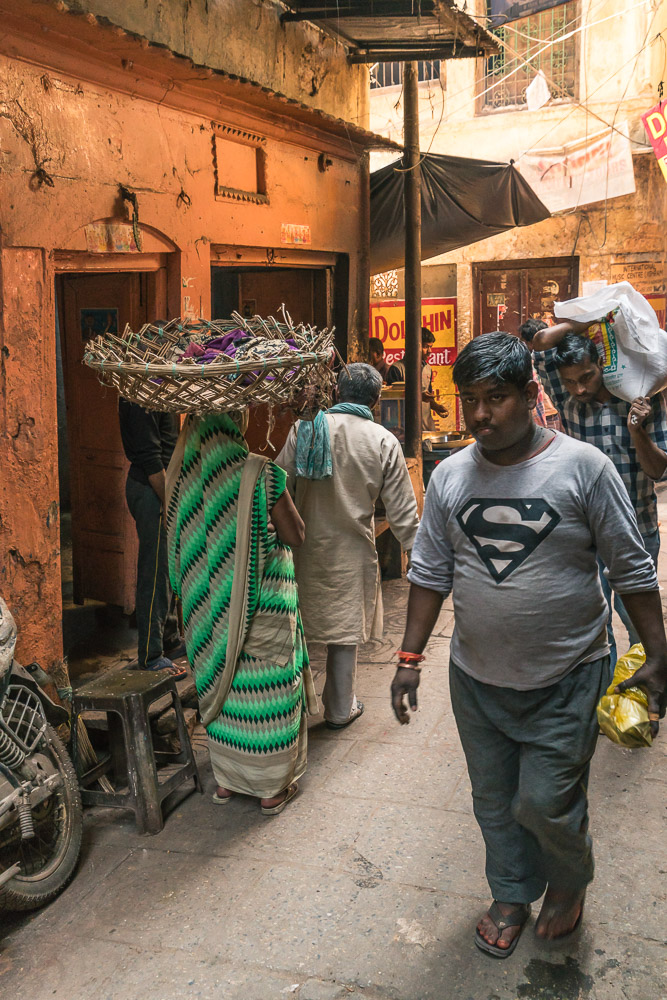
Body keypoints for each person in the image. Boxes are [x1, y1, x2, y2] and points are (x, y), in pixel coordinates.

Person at [390, 333, 667, 957]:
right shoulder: (451, 476)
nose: (481, 414)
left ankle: (568, 883)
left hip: (569, 676)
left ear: (530, 395)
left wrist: (659, 652)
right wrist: (409, 659)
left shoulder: (583, 468)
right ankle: (511, 891)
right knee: (493, 801)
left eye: (497, 397)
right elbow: (430, 572)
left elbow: (632, 568)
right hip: (478, 679)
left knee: (544, 801)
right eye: (470, 400)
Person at [166, 411, 316, 815]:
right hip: (265, 608)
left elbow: (181, 554)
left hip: (208, 617)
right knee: (268, 693)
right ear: (235, 423)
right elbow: (295, 534)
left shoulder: (180, 482)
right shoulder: (260, 472)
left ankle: (228, 783)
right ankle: (270, 789)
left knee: (226, 689)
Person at [277, 363, 420, 729]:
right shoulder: (382, 440)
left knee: (297, 629)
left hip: (302, 548)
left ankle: (285, 712)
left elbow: (275, 484)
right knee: (343, 634)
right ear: (375, 400)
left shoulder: (304, 429)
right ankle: (340, 709)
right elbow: (404, 516)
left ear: (338, 393)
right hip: (351, 552)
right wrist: (423, 565)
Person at [531, 321, 667, 665]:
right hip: (584, 535)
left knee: (642, 627)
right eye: (571, 381)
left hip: (638, 530)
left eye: (586, 377)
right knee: (595, 627)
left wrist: (637, 430)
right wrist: (591, 318)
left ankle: (649, 699)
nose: (578, 388)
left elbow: (658, 470)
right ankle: (606, 695)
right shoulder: (565, 398)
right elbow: (541, 341)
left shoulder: (643, 397)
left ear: (602, 365)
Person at [118, 398, 187, 679]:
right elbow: (150, 459)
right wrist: (170, 503)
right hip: (152, 490)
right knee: (155, 574)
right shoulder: (138, 394)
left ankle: (168, 638)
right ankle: (151, 654)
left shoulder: (158, 387)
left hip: (160, 487)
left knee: (167, 570)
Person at [387, 328, 450, 429]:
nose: (429, 351)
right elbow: (392, 402)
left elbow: (427, 399)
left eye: (431, 347)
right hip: (405, 430)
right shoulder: (397, 369)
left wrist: (437, 407)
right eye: (425, 347)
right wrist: (419, 396)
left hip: (427, 428)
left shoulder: (428, 368)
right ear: (413, 346)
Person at [517, 319, 549, 428]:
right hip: (554, 414)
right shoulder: (553, 358)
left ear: (531, 343)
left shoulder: (529, 363)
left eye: (522, 340)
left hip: (545, 417)